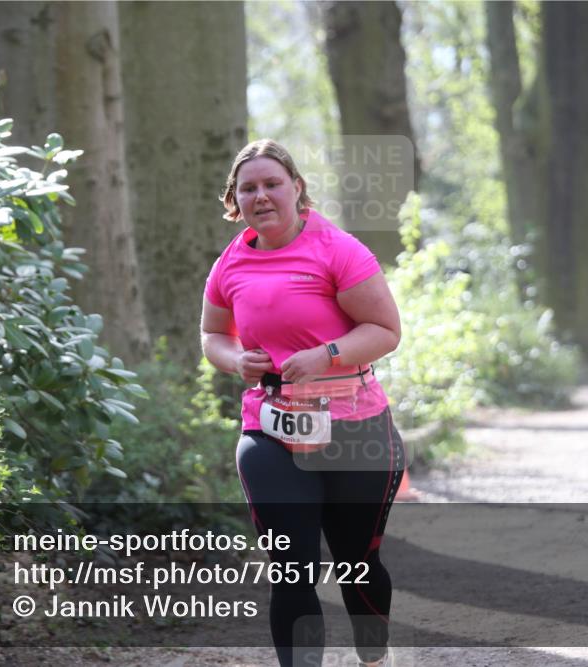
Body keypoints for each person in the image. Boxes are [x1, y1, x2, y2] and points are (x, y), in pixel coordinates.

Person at [200, 139, 405, 667]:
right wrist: (233, 360)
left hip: (353, 426)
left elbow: (385, 330)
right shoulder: (231, 261)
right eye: (249, 188)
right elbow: (212, 335)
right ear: (234, 199)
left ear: (297, 188)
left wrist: (327, 354)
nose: (261, 195)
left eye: (272, 184)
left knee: (358, 560)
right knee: (290, 567)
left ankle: (373, 656)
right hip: (270, 428)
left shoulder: (338, 249)